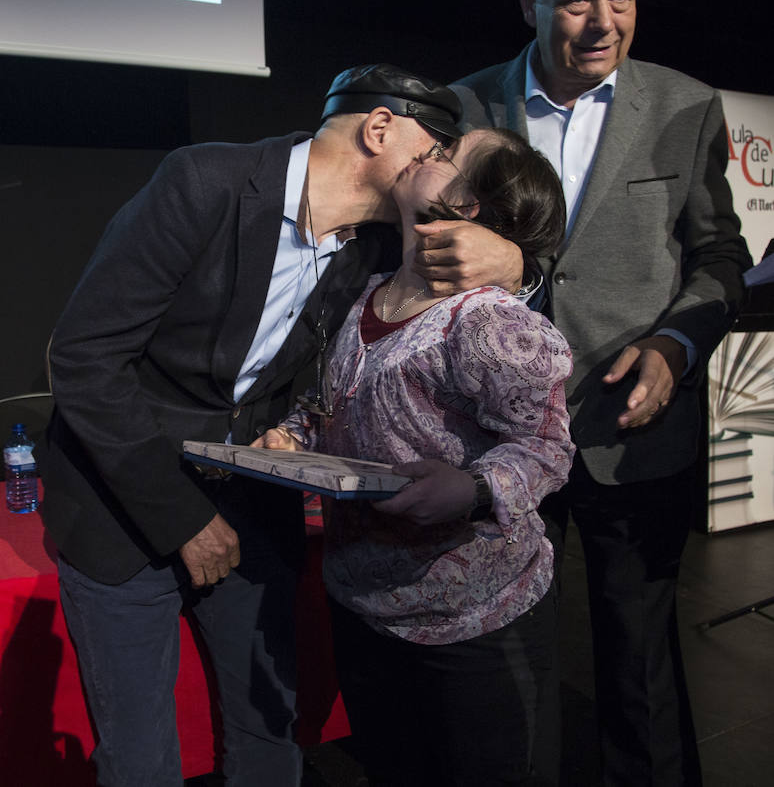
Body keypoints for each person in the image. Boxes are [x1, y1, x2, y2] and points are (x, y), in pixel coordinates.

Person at [41, 63, 526, 787]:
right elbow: (84, 360)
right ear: (379, 128)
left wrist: (518, 267)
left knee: (271, 740)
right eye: (430, 154)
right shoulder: (204, 182)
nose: (434, 177)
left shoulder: (376, 244)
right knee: (140, 763)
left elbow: (484, 288)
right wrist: (180, 517)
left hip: (252, 513)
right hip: (123, 502)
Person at [450, 0, 752, 787]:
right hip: (500, 430)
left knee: (640, 664)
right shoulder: (466, 104)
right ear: (530, 1)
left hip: (633, 427)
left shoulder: (687, 106)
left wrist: (673, 346)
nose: (604, 21)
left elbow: (720, 258)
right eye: (579, 1)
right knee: (508, 659)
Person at [257, 128, 575, 785]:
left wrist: (472, 488)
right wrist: (289, 440)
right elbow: (327, 404)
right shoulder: (354, 298)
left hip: (474, 628)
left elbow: (546, 449)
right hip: (366, 613)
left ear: (470, 208)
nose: (428, 148)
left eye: (448, 153)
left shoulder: (492, 320)